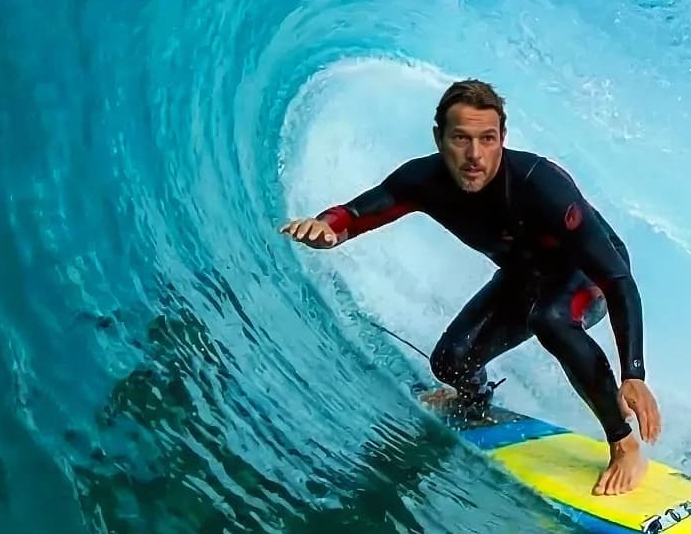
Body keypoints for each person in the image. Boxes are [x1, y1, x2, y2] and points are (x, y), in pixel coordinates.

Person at [280, 78, 661, 495]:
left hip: (588, 275)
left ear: (502, 139)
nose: (474, 154)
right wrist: (327, 227)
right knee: (451, 363)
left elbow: (617, 279)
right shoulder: (423, 180)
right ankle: (474, 398)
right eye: (461, 138)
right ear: (439, 138)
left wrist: (633, 373)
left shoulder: (540, 184)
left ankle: (623, 443)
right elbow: (357, 213)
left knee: (550, 319)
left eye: (487, 139)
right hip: (525, 278)